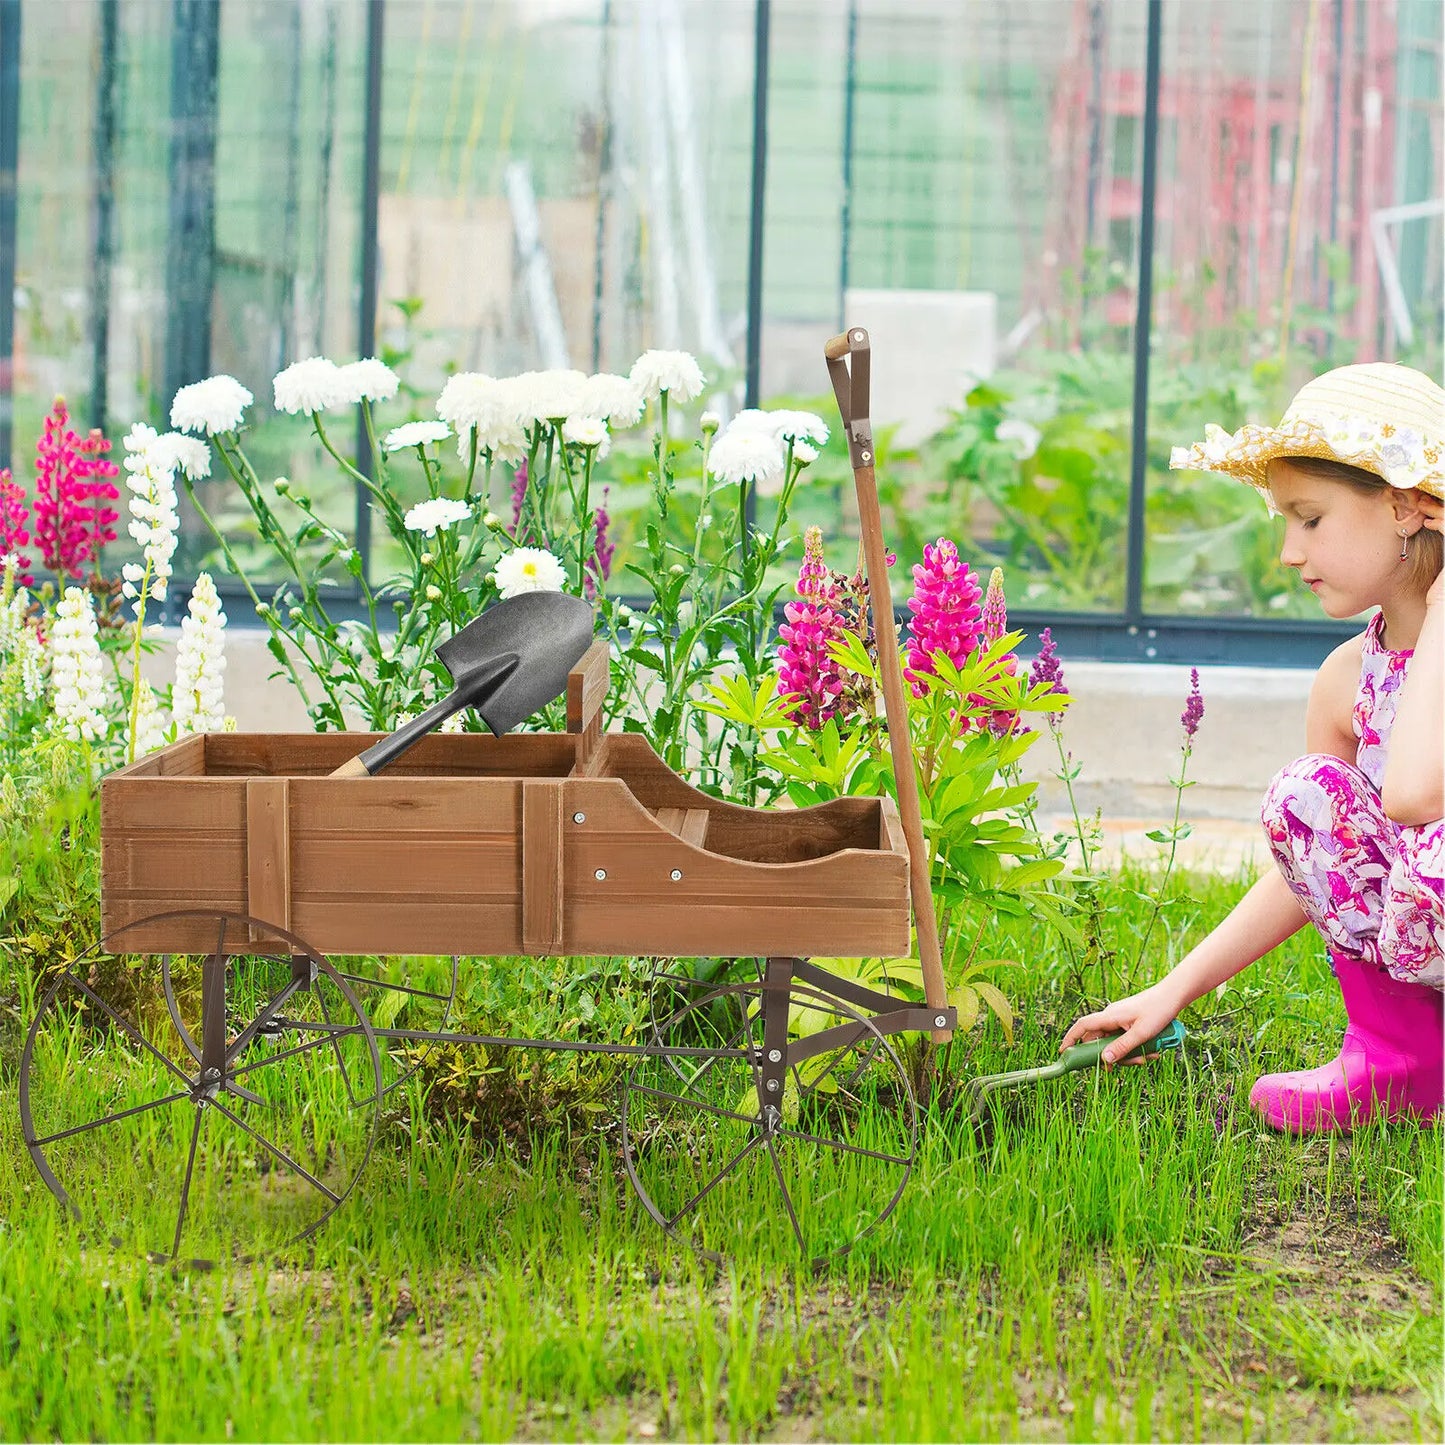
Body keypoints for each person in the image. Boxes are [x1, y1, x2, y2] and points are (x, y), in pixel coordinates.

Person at [1060, 362, 1444, 1134]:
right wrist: (1171, 989)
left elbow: (1410, 797)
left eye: (1308, 518)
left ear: (1404, 507)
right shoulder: (1345, 680)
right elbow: (1313, 863)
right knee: (1306, 795)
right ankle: (1400, 1057)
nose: (1287, 553)